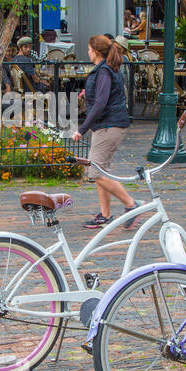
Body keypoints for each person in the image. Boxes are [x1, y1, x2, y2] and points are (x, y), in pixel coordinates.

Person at [71, 35, 138, 229]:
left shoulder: (104, 72)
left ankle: (131, 204)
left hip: (109, 125)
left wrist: (82, 129)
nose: (88, 52)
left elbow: (100, 103)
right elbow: (101, 97)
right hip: (108, 125)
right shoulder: (106, 70)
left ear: (97, 52)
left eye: (90, 49)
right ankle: (105, 215)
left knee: (94, 172)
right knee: (101, 170)